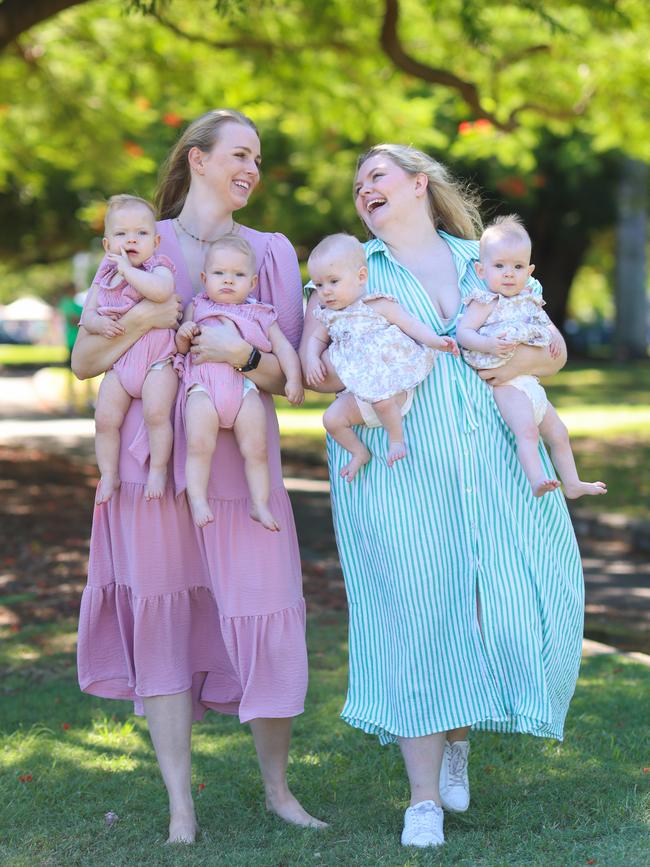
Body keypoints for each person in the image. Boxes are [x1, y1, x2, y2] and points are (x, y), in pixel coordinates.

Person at [300, 144, 584, 849]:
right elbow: (327, 372)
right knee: (415, 613)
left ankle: (458, 733)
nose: (365, 187)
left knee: (498, 602)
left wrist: (516, 357)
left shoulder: (479, 257)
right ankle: (422, 797)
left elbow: (551, 350)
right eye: (358, 181)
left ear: (418, 185)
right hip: (399, 469)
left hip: (492, 463)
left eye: (378, 175)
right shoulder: (358, 270)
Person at [73, 109, 324, 844]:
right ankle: (181, 804)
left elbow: (290, 374)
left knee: (265, 603)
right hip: (150, 471)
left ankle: (279, 789)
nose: (252, 168)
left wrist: (235, 353)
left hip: (239, 467)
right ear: (198, 158)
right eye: (240, 153)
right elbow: (85, 361)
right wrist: (152, 320)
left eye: (258, 157)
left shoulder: (272, 251)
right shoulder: (137, 242)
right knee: (164, 617)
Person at [457, 214, 607, 499]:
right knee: (527, 431)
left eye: (517, 266)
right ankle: (537, 478)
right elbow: (464, 333)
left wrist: (549, 340)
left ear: (530, 270)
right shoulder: (485, 301)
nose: (509, 273)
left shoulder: (530, 299)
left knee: (559, 433)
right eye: (499, 266)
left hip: (531, 384)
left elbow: (545, 329)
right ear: (481, 270)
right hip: (507, 387)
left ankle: (573, 484)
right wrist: (487, 344)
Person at [304, 233, 459, 479]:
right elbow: (315, 340)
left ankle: (396, 440)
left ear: (361, 277)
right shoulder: (329, 316)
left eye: (333, 281)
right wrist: (312, 358)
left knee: (382, 400)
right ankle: (358, 452)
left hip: (391, 385)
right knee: (331, 419)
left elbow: (411, 325)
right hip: (358, 392)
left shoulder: (377, 304)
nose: (325, 291)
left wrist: (436, 341)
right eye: (319, 285)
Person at [176, 233, 304, 529]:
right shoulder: (198, 306)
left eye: (238, 274)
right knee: (198, 443)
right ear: (205, 277)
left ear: (253, 282)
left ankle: (259, 504)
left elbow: (284, 348)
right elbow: (181, 349)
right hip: (203, 387)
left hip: (244, 390)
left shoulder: (260, 313)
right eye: (219, 273)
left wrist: (294, 380)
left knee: (257, 448)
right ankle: (197, 499)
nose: (228, 280)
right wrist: (184, 334)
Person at [81, 195, 178, 504]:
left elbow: (162, 293)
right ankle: (109, 474)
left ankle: (158, 470)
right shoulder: (105, 278)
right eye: (121, 234)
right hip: (121, 367)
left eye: (141, 233)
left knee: (156, 414)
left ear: (156, 240)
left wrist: (128, 270)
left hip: (157, 362)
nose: (131, 240)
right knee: (105, 419)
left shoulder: (158, 267)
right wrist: (99, 325)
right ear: (107, 245)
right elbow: (88, 315)